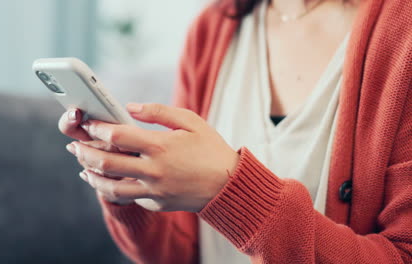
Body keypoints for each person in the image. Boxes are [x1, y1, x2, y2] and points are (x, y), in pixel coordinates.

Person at [58, 0, 411, 263]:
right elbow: (183, 252)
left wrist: (230, 192)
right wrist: (127, 186)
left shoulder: (403, 35)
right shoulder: (212, 29)